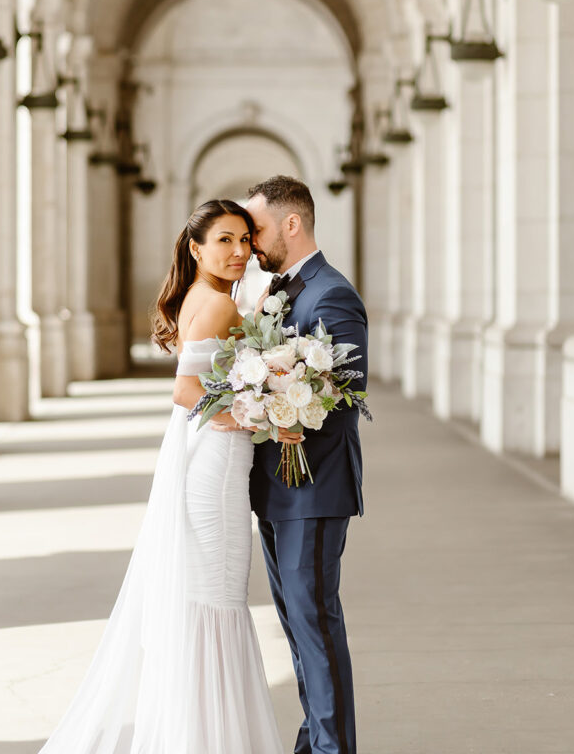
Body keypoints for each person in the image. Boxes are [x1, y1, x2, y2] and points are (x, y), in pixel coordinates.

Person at [36, 198, 293, 754]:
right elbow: (186, 391)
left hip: (209, 460)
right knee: (218, 600)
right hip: (216, 469)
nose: (239, 251)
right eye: (224, 240)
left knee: (208, 601)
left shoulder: (203, 297)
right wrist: (267, 416)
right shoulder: (217, 304)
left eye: (244, 240)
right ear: (195, 248)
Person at [247, 176, 368, 754]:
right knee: (297, 628)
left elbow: (346, 395)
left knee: (315, 623)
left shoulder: (332, 293)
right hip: (276, 488)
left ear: (291, 223)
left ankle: (332, 747)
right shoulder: (279, 291)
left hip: (313, 487)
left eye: (257, 229)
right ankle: (314, 740)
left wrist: (279, 407)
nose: (251, 242)